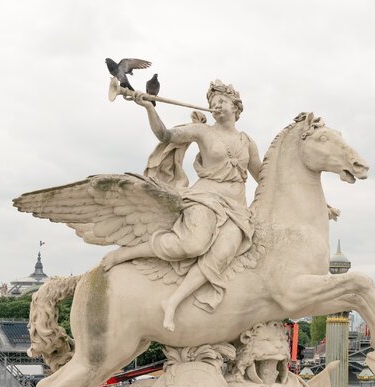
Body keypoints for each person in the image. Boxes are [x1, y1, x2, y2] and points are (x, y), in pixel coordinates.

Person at [100, 81, 262, 331]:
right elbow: (165, 135)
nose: (217, 106)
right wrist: (149, 108)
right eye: (213, 103)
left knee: (222, 253)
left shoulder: (246, 141)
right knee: (193, 244)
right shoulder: (203, 131)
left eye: (222, 101)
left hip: (237, 209)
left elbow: (262, 175)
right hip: (204, 199)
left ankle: (173, 301)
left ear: (235, 106)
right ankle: (125, 254)